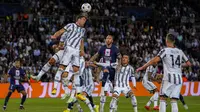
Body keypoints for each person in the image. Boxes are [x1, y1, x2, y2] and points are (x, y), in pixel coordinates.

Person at [137, 34, 192, 112]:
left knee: (163, 98)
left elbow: (155, 60)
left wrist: (142, 67)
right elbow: (189, 64)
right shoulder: (180, 52)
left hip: (168, 78)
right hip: (179, 79)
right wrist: (179, 65)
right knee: (174, 100)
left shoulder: (165, 50)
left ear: (166, 41)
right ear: (174, 41)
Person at [90, 35, 121, 112]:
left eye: (110, 38)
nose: (108, 40)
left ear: (112, 40)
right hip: (106, 71)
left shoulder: (115, 49)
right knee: (104, 92)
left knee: (115, 93)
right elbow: (96, 55)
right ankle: (101, 109)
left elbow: (120, 57)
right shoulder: (102, 48)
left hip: (113, 73)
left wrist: (119, 66)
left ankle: (115, 106)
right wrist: (90, 60)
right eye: (107, 38)